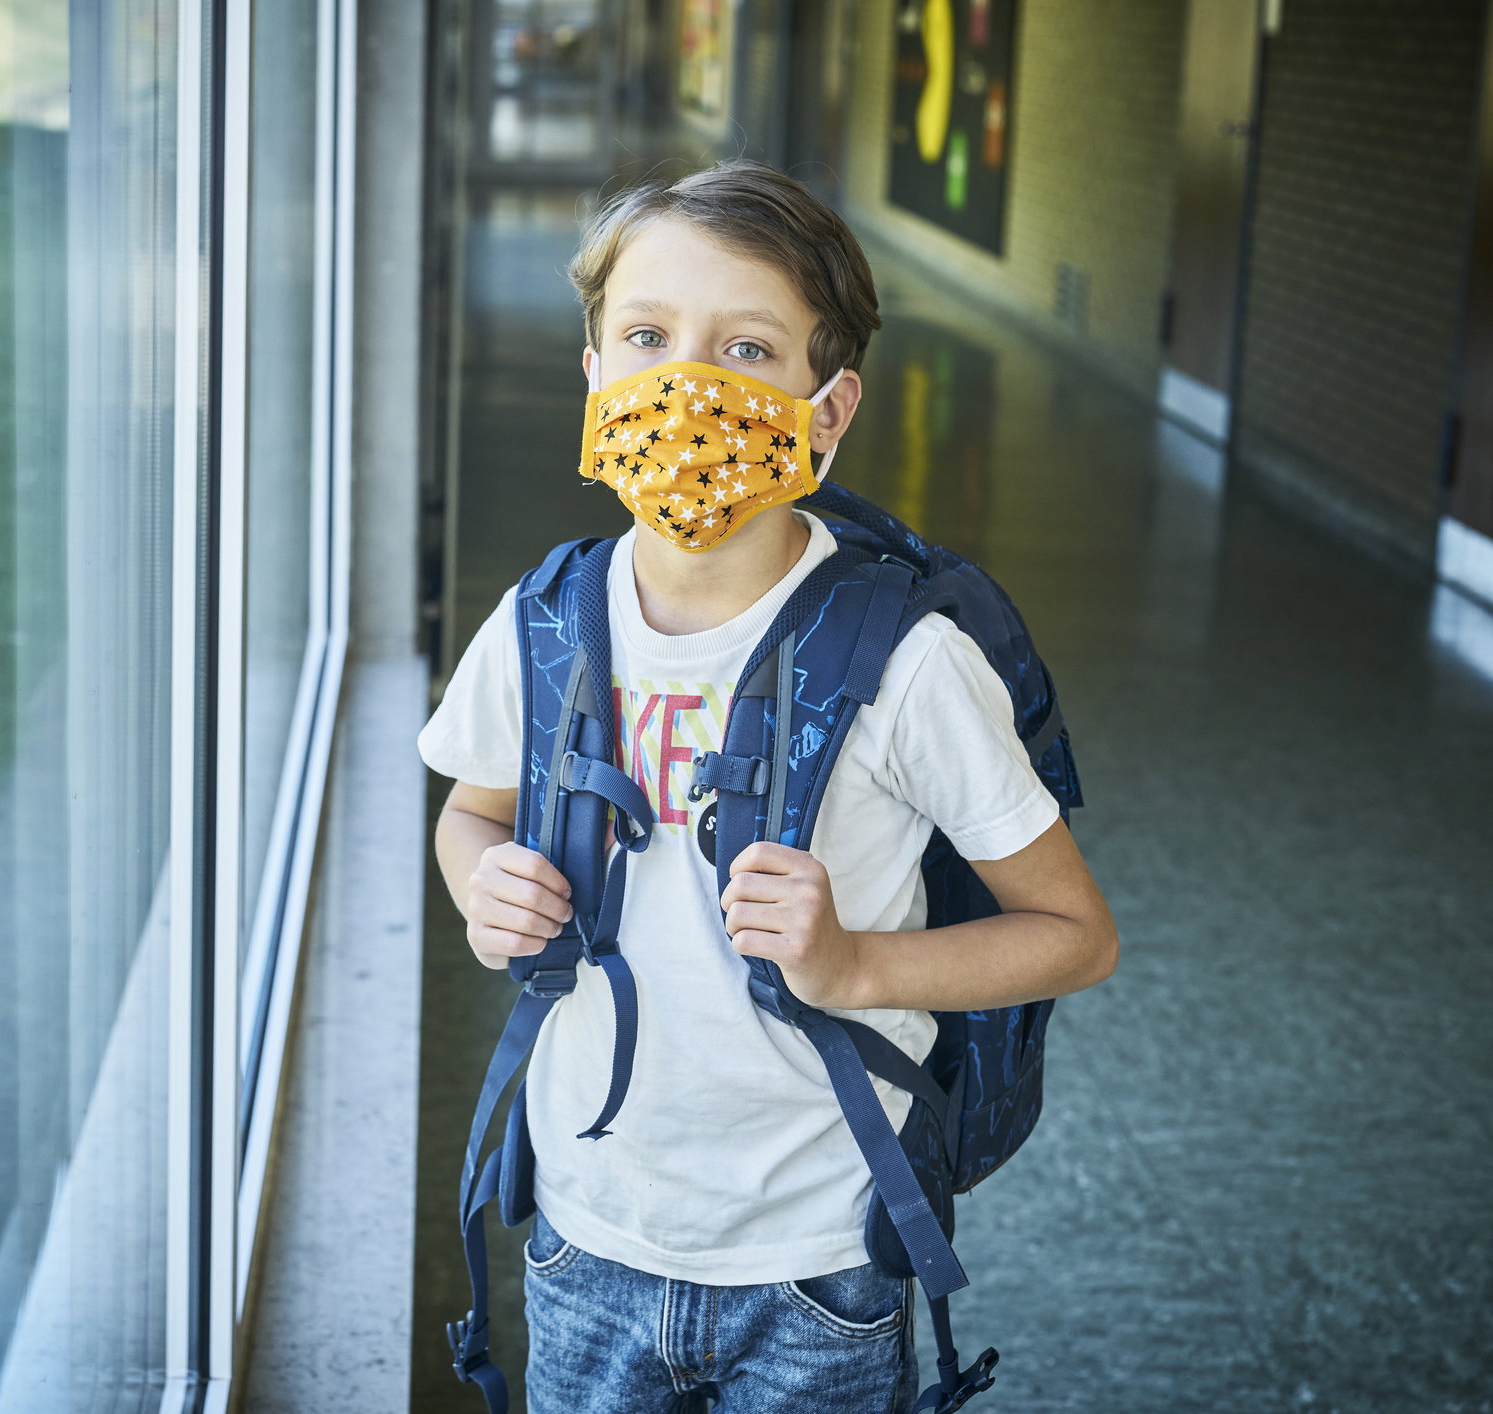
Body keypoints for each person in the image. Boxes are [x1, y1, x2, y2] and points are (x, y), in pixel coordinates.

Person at [420, 161, 1120, 1413]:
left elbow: (1073, 935)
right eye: (644, 337)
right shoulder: (541, 622)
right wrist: (487, 886)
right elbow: (469, 811)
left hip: (822, 1247)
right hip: (588, 1225)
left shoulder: (905, 663)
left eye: (746, 349)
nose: (686, 386)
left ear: (826, 408)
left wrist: (856, 965)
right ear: (591, 371)